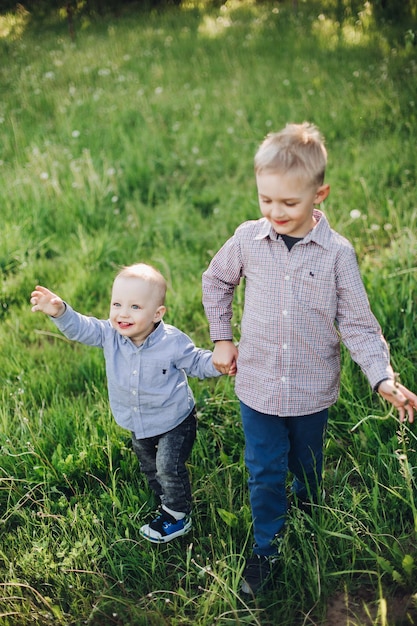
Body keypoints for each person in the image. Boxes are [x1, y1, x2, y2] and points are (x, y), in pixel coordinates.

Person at [202, 122, 417, 596]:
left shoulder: (339, 255)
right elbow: (216, 280)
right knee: (264, 468)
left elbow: (358, 323)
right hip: (256, 384)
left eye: (288, 202)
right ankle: (267, 548)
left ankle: (307, 507)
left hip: (311, 388)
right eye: (266, 200)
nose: (275, 212)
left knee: (306, 462)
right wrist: (222, 338)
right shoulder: (246, 240)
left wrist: (381, 377)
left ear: (320, 194)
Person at [31, 263, 231, 543]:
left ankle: (177, 515)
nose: (123, 313)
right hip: (136, 420)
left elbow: (197, 362)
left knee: (167, 466)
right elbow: (82, 328)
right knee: (150, 467)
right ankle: (165, 500)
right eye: (117, 304)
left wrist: (219, 364)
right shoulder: (110, 335)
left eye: (135, 307)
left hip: (175, 419)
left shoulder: (172, 342)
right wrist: (61, 311)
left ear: (157, 314)